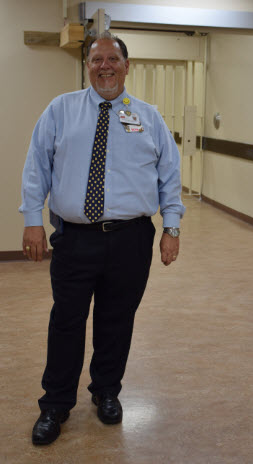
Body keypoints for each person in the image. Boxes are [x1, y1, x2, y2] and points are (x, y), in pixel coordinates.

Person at [19, 32, 185, 445]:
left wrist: (172, 227)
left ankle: (106, 391)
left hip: (131, 240)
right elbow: (36, 165)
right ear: (87, 66)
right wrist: (32, 219)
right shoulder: (61, 109)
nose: (105, 66)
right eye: (97, 60)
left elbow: (170, 174)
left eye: (113, 59)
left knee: (116, 321)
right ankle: (55, 404)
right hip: (75, 239)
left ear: (127, 67)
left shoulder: (148, 117)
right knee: (67, 322)